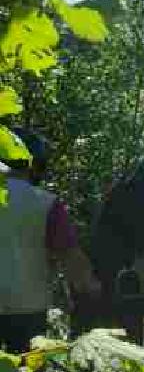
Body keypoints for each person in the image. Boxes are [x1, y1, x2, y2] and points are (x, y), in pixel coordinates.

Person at [0, 127, 101, 352]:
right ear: (35, 164)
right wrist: (92, 288)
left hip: (26, 308)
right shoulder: (46, 204)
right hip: (27, 312)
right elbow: (71, 258)